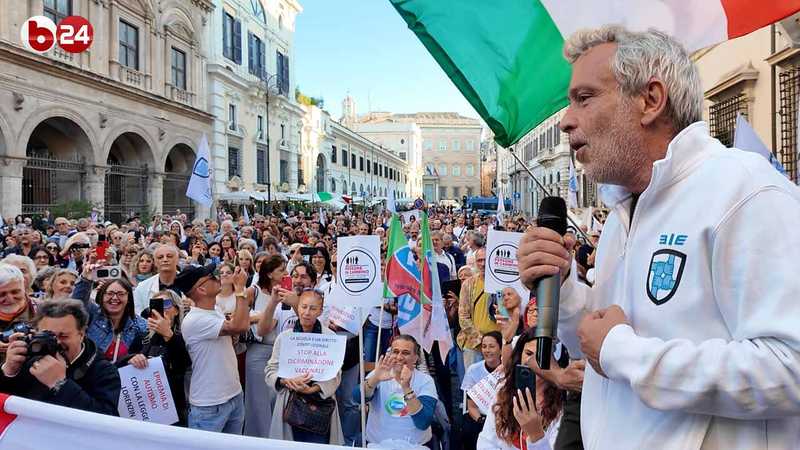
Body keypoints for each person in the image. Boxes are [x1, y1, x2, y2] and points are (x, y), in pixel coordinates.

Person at [517, 26, 800, 449]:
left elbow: (790, 368)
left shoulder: (746, 191)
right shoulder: (621, 214)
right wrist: (565, 288)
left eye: (585, 97)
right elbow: (597, 345)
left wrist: (624, 352)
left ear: (650, 100)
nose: (565, 120)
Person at [0, 299, 121, 416]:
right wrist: (9, 372)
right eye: (48, 335)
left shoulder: (104, 371)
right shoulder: (30, 358)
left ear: (82, 334)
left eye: (63, 336)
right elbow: (7, 405)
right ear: (36, 331)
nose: (56, 342)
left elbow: (105, 419)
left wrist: (60, 384)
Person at [265, 289, 344, 444]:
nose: (307, 312)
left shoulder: (330, 338)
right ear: (298, 306)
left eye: (313, 308)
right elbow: (270, 370)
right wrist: (284, 381)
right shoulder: (285, 337)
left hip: (319, 405)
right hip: (290, 402)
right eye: (303, 306)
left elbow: (336, 373)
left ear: (320, 311)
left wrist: (313, 389)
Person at [179, 263, 250, 434]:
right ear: (201, 290)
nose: (217, 277)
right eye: (211, 277)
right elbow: (240, 325)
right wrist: (240, 289)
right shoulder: (194, 319)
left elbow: (241, 325)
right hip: (209, 404)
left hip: (233, 395)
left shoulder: (215, 309)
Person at [477, 328, 564, 450]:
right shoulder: (504, 390)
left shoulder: (562, 404)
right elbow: (487, 441)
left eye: (541, 356)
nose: (532, 362)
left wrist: (536, 435)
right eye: (528, 354)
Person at [362, 334, 439, 448]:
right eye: (395, 351)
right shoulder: (379, 373)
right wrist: (375, 379)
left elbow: (423, 422)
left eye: (405, 353)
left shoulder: (425, 381)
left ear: (415, 358)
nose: (399, 357)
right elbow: (358, 398)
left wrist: (406, 387)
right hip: (377, 445)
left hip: (414, 446)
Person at [243, 255, 286, 438]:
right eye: (281, 270)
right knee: (258, 402)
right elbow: (238, 317)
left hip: (282, 353)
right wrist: (259, 316)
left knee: (276, 400)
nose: (285, 273)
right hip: (259, 351)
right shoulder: (253, 292)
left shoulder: (287, 291)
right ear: (269, 274)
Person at [134, 289, 191, 426]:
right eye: (156, 304)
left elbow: (183, 364)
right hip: (147, 406)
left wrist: (168, 335)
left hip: (175, 409)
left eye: (165, 303)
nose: (161, 308)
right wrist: (133, 358)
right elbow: (128, 359)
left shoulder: (186, 334)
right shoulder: (144, 336)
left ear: (177, 310)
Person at [71, 270, 148, 366]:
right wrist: (86, 279)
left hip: (121, 378)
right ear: (102, 296)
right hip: (88, 377)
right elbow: (75, 306)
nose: (115, 298)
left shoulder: (139, 324)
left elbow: (151, 348)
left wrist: (136, 358)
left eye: (121, 294)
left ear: (129, 298)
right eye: (110, 293)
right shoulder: (93, 314)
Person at [462, 331, 503, 450]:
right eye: (484, 346)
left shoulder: (508, 370)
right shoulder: (473, 370)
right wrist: (482, 420)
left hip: (501, 417)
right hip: (479, 417)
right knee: (469, 430)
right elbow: (471, 406)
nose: (487, 350)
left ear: (501, 350)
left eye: (491, 346)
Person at [458, 247, 498, 368]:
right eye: (479, 260)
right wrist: (481, 341)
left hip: (498, 347)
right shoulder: (468, 284)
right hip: (474, 345)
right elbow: (463, 316)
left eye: (486, 260)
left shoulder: (502, 283)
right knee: (473, 385)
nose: (483, 264)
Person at [133, 245, 181, 314]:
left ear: (177, 260)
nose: (165, 260)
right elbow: (138, 315)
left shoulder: (192, 283)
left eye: (169, 256)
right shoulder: (142, 288)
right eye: (160, 257)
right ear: (155, 262)